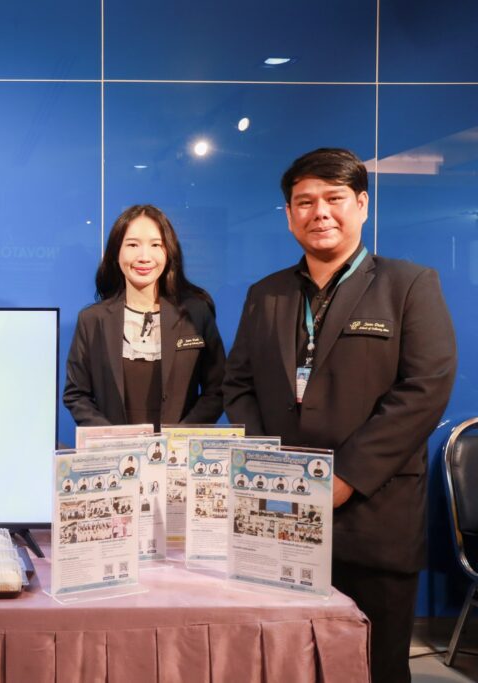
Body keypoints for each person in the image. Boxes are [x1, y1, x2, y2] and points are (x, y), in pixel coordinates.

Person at [223, 148, 456, 683]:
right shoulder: (266, 294)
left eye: (334, 198)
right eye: (305, 202)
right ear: (289, 214)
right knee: (284, 664)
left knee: (376, 667)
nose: (320, 212)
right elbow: (239, 385)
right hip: (280, 515)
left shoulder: (408, 284)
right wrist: (272, 469)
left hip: (373, 517)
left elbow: (425, 388)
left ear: (362, 205)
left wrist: (345, 477)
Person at [63, 204, 225, 431]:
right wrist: (113, 438)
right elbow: (76, 395)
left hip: (179, 449)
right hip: (115, 449)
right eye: (132, 245)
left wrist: (179, 437)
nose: (144, 257)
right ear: (116, 252)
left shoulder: (196, 314)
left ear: (168, 252)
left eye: (155, 245)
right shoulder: (92, 320)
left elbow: (218, 390)